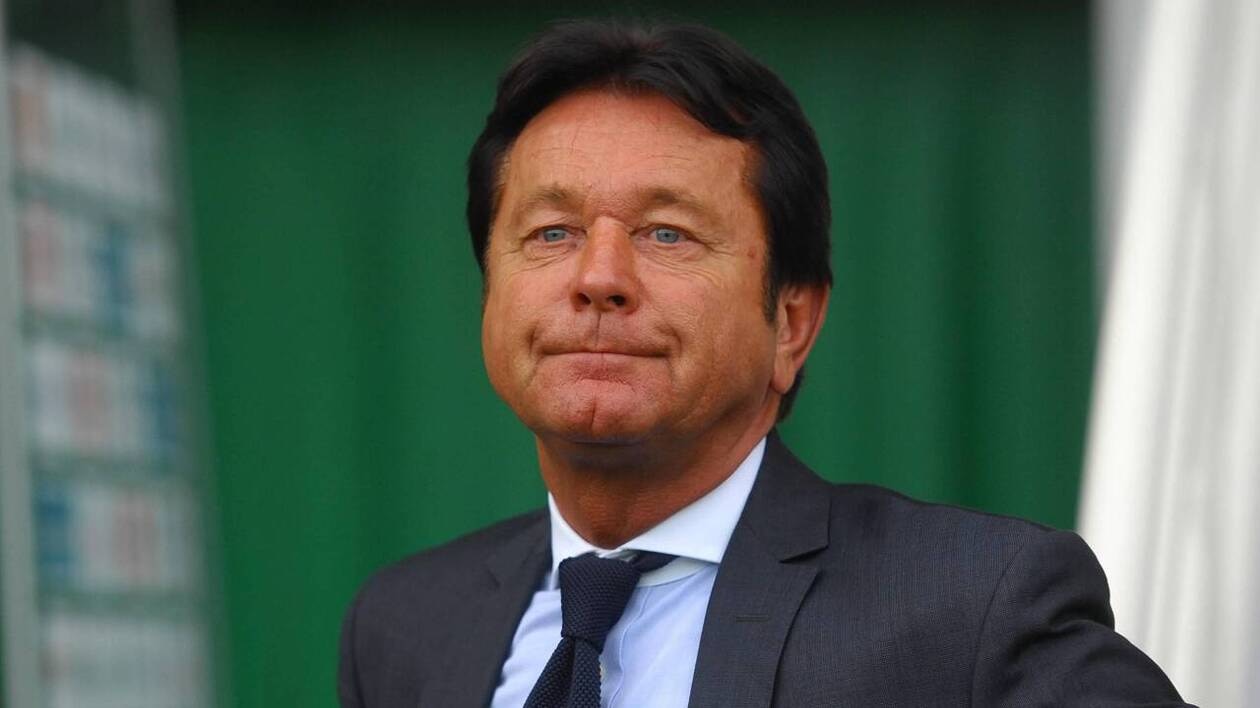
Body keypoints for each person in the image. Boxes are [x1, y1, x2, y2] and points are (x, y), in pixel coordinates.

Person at [338, 19, 1190, 708]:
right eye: (551, 232)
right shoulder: (406, 627)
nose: (598, 277)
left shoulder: (973, 611)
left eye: (666, 234)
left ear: (792, 321)